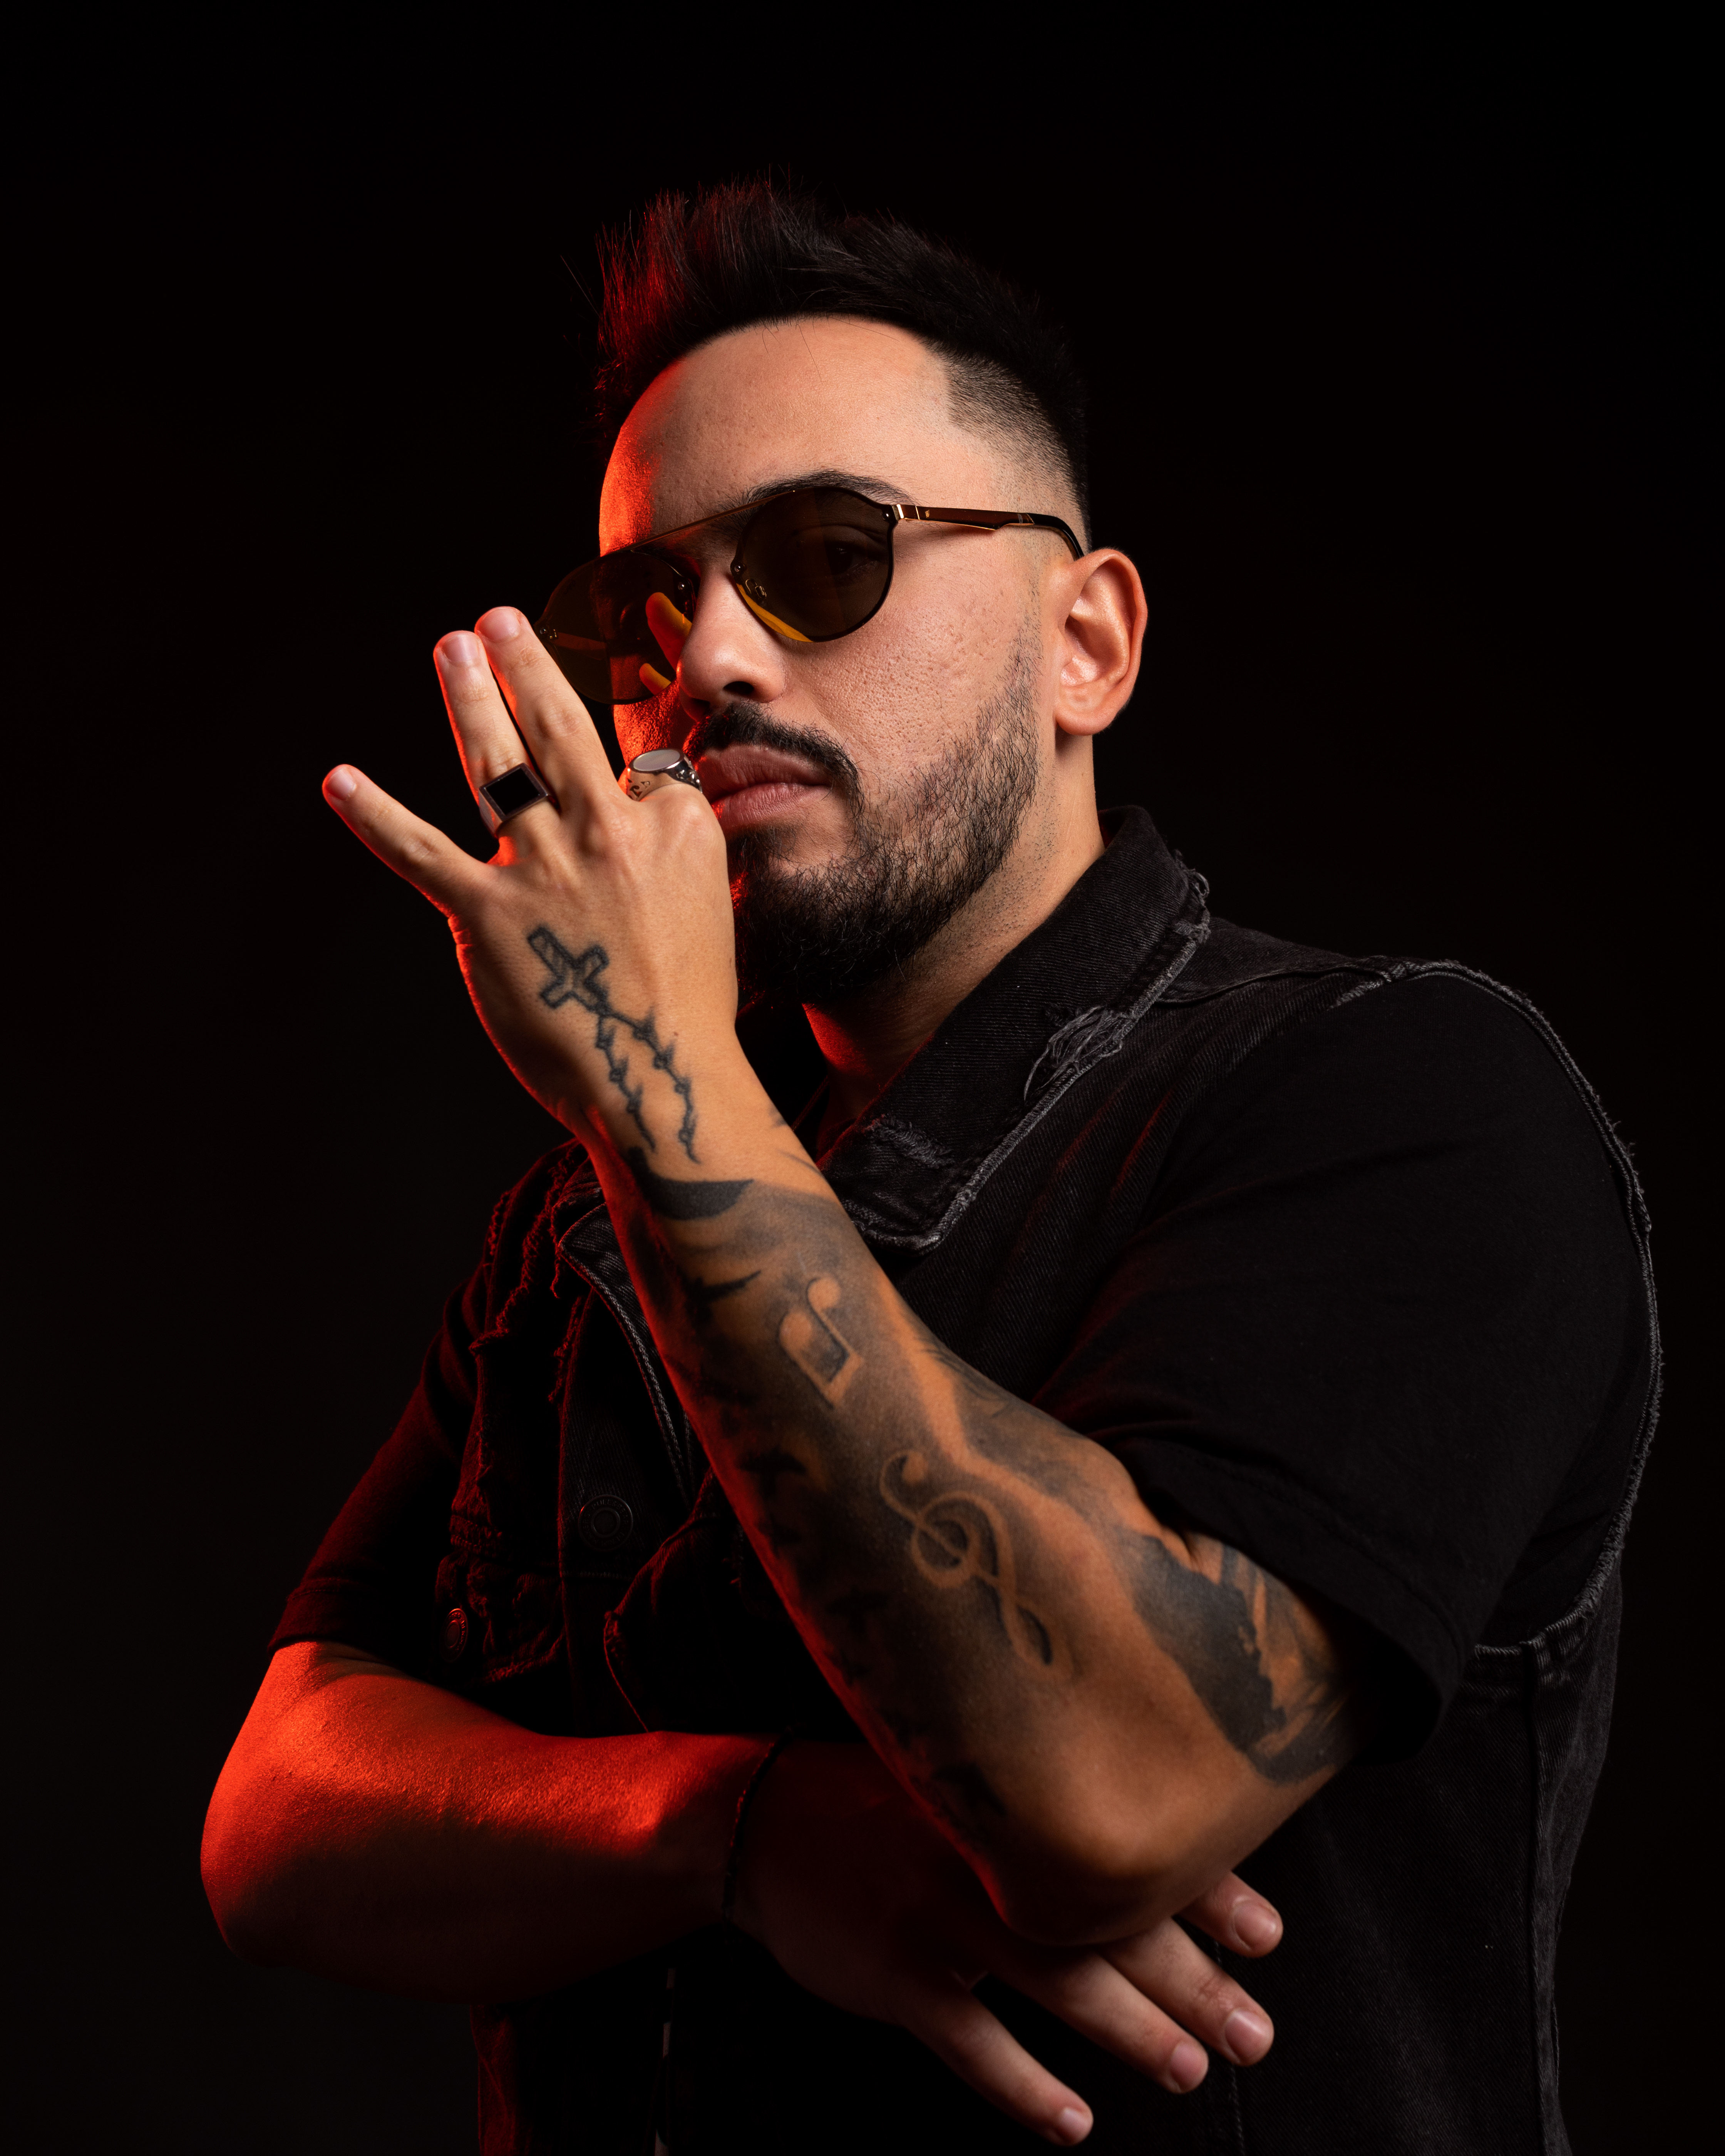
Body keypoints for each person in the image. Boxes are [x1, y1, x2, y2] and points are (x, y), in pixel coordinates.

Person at [201, 184, 1657, 2154]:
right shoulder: (577, 1228)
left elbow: (1107, 1790)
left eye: (826, 556)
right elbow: (274, 1813)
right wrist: (731, 1829)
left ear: (1087, 641)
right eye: (643, 607)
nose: (710, 660)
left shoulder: (1400, 1091)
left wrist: (648, 1079)